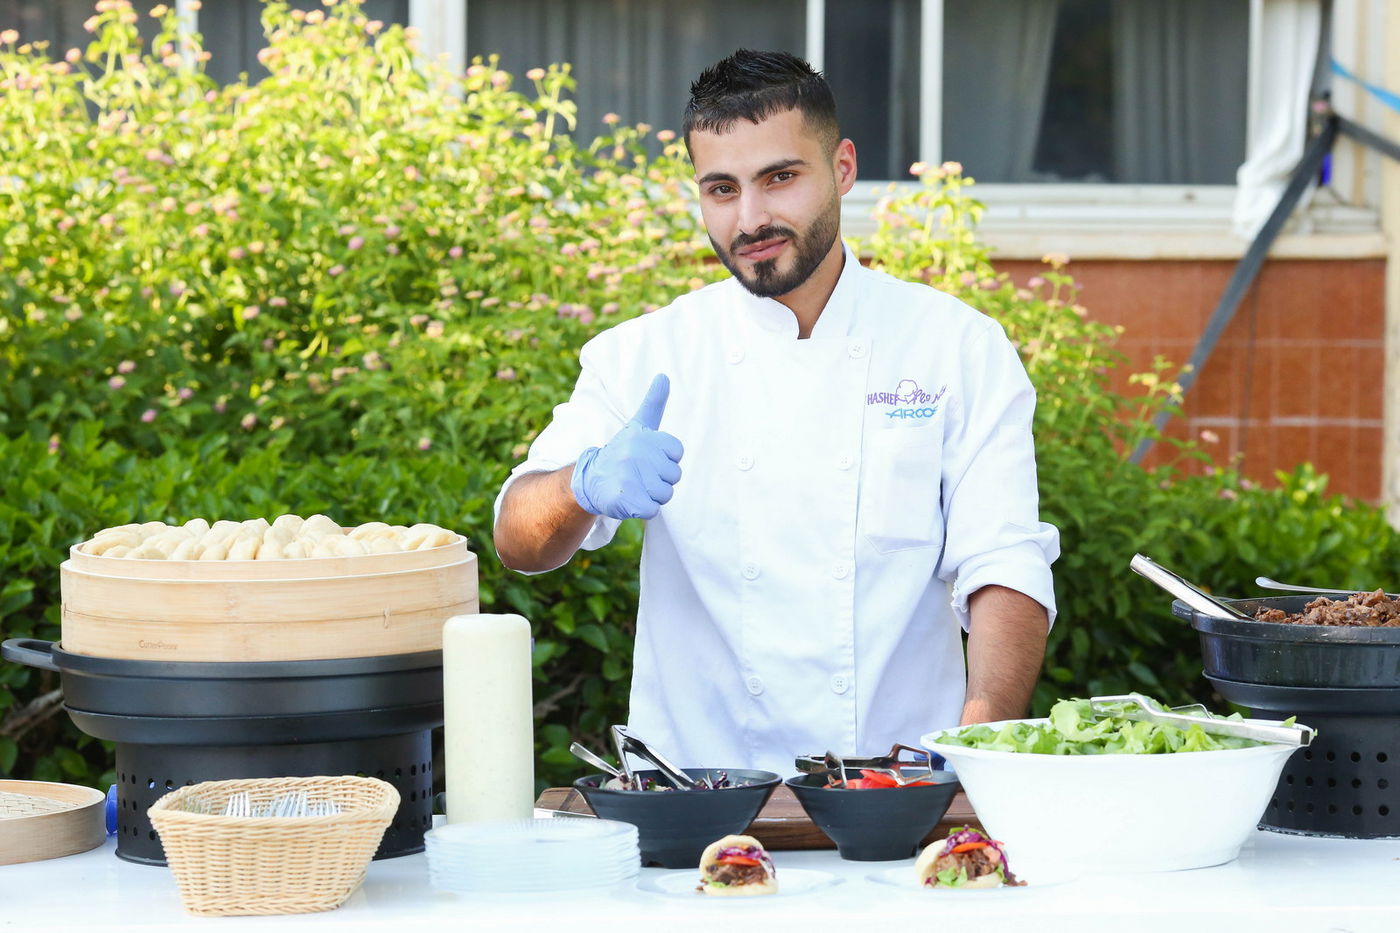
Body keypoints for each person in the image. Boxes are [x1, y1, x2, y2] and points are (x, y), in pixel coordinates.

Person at [493, 49, 1059, 775]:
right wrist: (582, 486)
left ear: (842, 168)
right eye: (722, 189)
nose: (751, 218)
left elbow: (1004, 565)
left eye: (780, 178)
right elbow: (518, 538)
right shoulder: (647, 353)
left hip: (899, 788)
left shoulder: (956, 347)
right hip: (698, 796)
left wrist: (974, 758)